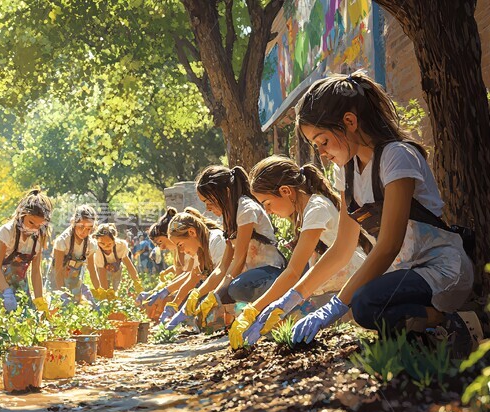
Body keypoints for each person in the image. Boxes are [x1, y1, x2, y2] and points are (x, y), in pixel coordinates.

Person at [273, 72, 475, 355]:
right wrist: (292, 298)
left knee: (365, 302)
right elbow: (342, 249)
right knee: (366, 305)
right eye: (315, 146)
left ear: (349, 122)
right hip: (405, 274)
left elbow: (389, 245)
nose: (321, 153)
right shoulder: (346, 172)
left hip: (441, 269)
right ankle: (424, 339)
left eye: (323, 141)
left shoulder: (396, 156)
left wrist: (334, 306)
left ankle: (456, 322)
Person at [228, 156, 367, 348]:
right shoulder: (305, 211)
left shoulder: (316, 208)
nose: (267, 211)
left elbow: (293, 272)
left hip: (353, 285)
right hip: (332, 288)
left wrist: (253, 310)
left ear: (285, 191)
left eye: (267, 203)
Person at [189, 165, 286, 331]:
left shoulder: (245, 208)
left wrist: (216, 295)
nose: (207, 208)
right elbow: (223, 266)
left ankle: (276, 313)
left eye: (208, 201)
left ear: (225, 192)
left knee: (235, 287)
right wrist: (202, 294)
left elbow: (239, 259)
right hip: (254, 276)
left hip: (271, 272)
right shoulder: (230, 217)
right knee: (228, 290)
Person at [162, 208, 227, 329]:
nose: (181, 251)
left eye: (180, 245)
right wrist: (173, 305)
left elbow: (222, 275)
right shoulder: (200, 250)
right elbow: (193, 277)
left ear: (192, 232)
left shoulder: (216, 241)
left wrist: (193, 299)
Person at [0, 188, 52, 313]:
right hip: (1, 287)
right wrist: (7, 292)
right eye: (31, 222)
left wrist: (39, 300)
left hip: (22, 289)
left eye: (39, 225)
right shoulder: (7, 232)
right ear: (22, 214)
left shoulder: (38, 237)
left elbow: (36, 272)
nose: (34, 228)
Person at [47, 205, 100, 304]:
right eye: (81, 227)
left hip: (74, 280)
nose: (84, 232)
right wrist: (61, 293)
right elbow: (58, 270)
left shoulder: (90, 245)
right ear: (74, 222)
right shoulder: (63, 241)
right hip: (57, 279)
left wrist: (100, 291)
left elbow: (92, 270)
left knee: (79, 304)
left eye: (89, 229)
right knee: (58, 306)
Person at [91, 223, 141, 294]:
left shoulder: (121, 246)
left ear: (114, 241)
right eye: (102, 243)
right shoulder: (97, 250)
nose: (106, 247)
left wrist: (136, 282)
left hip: (117, 268)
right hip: (102, 269)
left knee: (117, 289)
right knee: (105, 289)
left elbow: (129, 265)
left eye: (109, 244)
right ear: (97, 241)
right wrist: (105, 293)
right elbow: (102, 273)